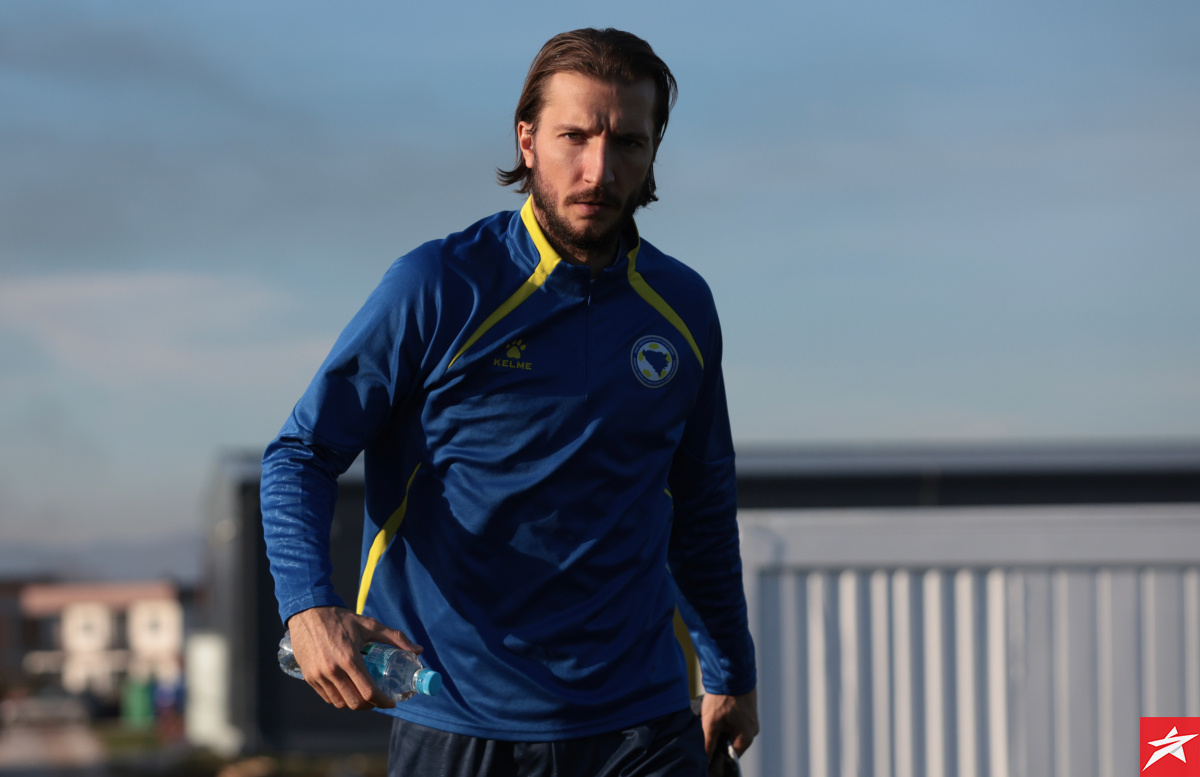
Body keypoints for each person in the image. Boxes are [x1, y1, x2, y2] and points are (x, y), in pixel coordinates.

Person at [260, 28, 757, 777]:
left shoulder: (683, 306)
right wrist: (307, 607)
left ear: (654, 149)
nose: (599, 169)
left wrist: (730, 671)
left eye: (628, 142)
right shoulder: (436, 286)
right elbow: (301, 454)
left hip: (642, 721)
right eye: (574, 136)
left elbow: (702, 505)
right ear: (527, 140)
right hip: (460, 716)